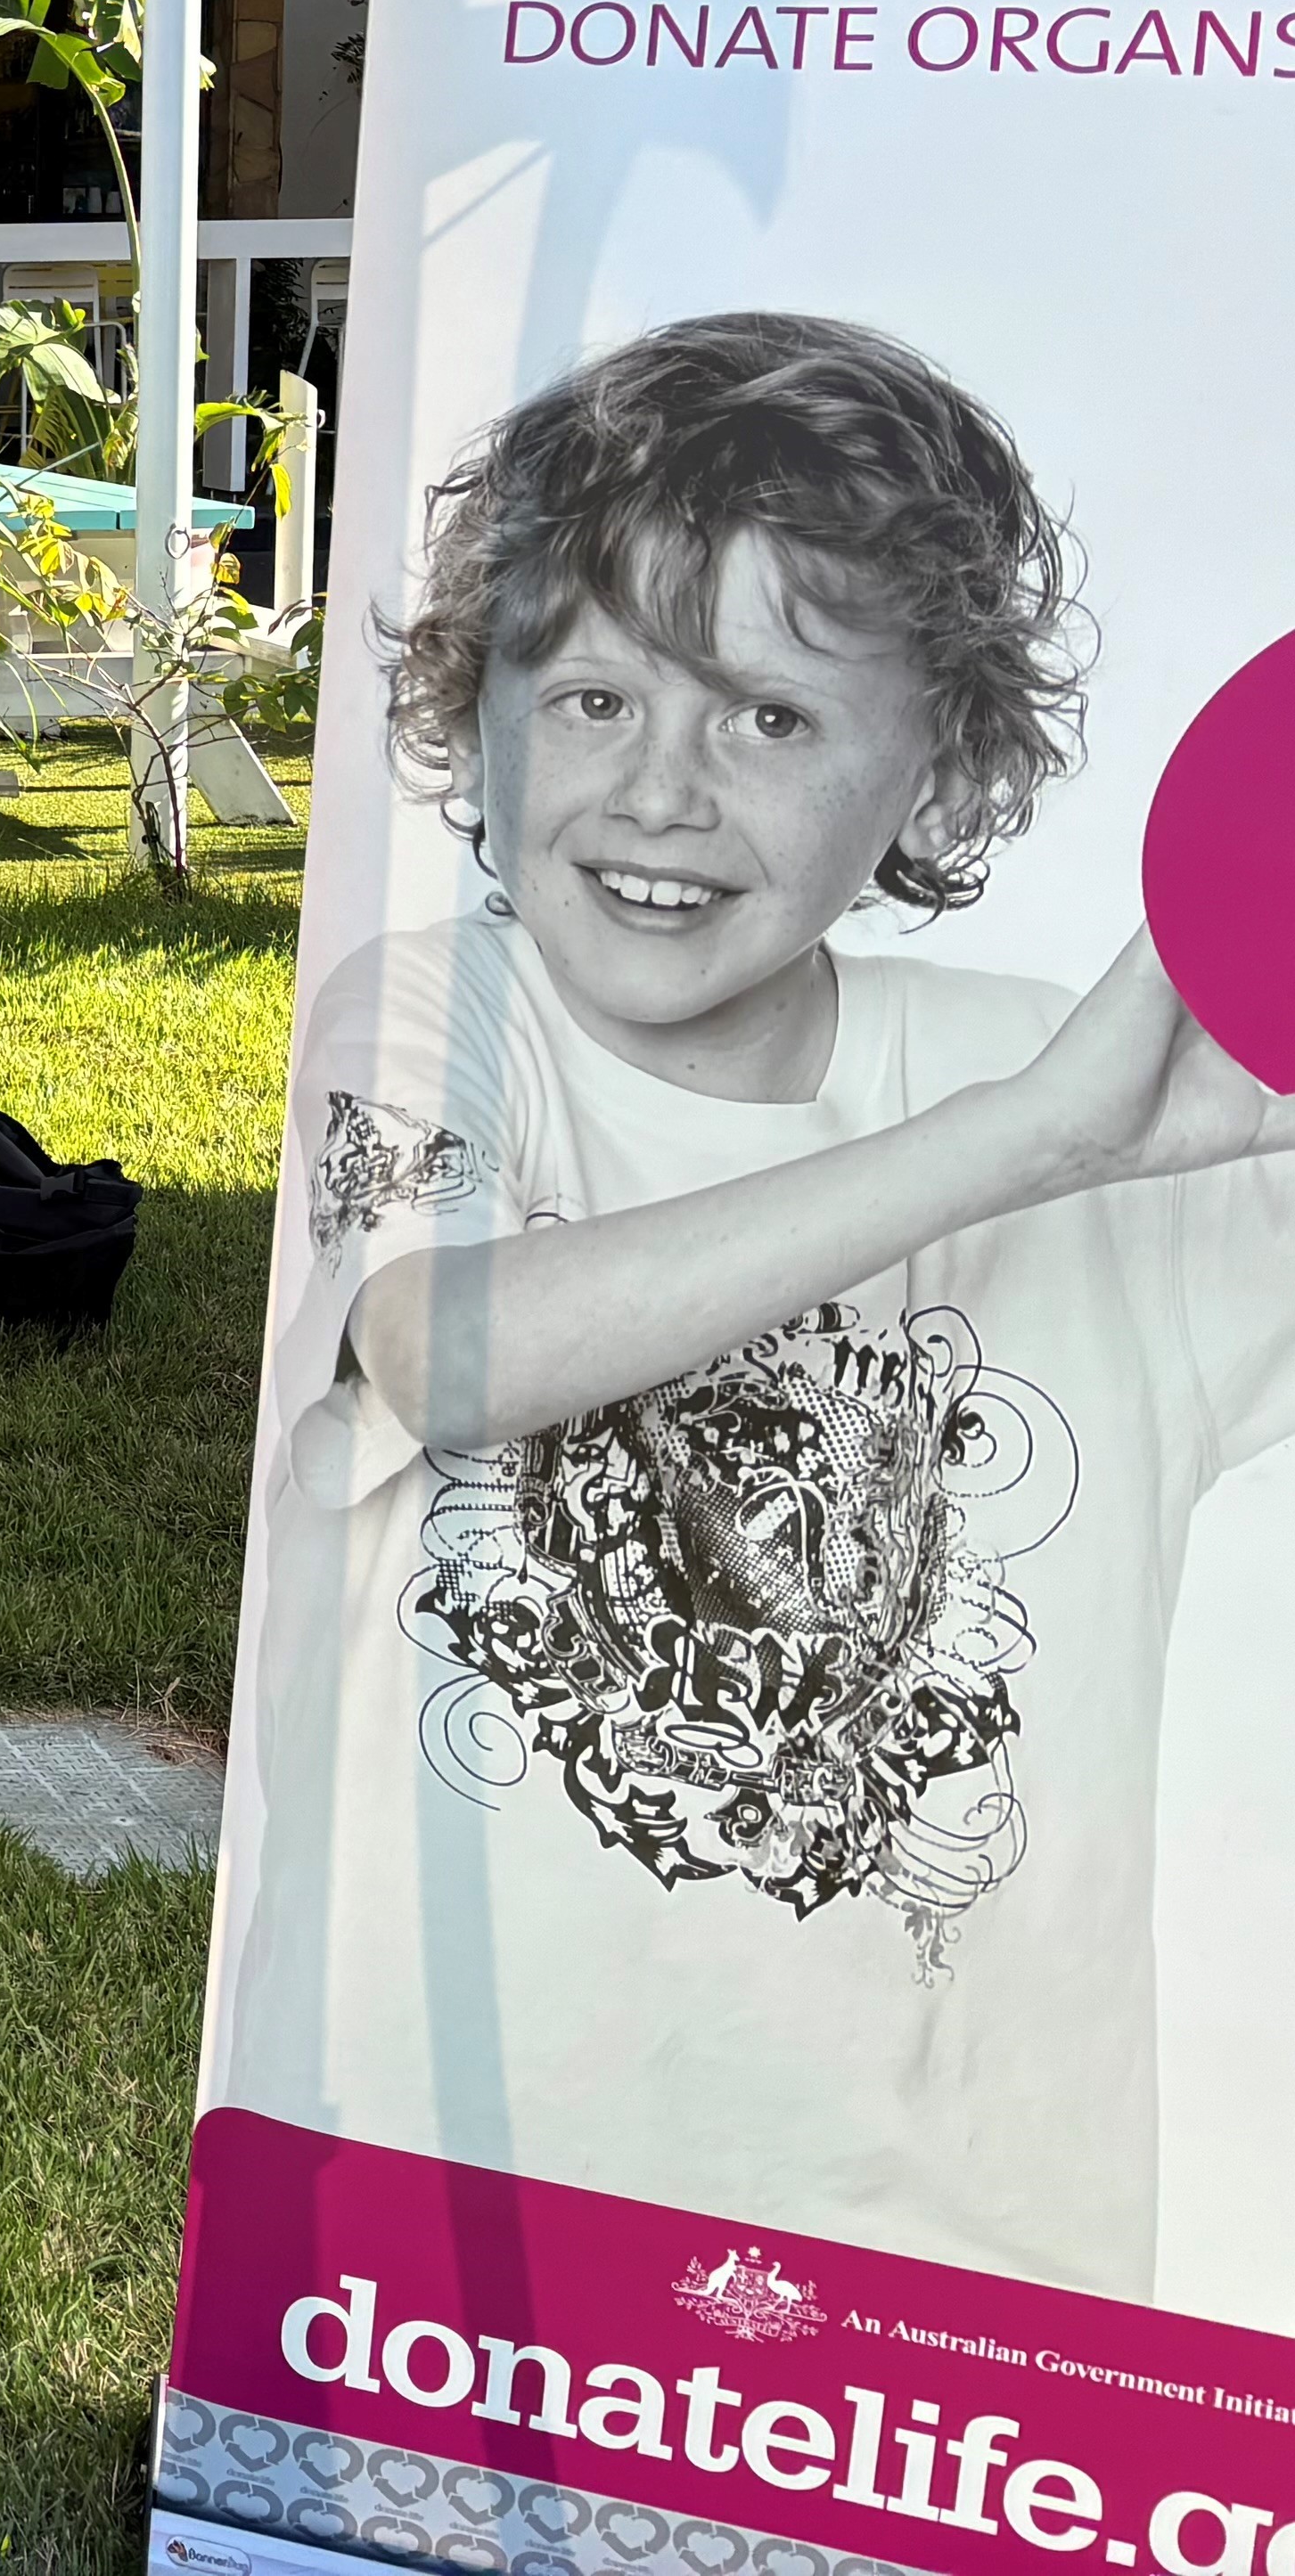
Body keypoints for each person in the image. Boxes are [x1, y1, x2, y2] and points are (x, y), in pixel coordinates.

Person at [217, 310, 1295, 2293]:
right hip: (439, 2234)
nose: (663, 791)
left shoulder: (1098, 1098)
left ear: (944, 770)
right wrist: (1026, 1140)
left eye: (772, 719)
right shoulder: (447, 1023)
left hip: (960, 2288)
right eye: (597, 695)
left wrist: (1116, 1105)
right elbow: (443, 1352)